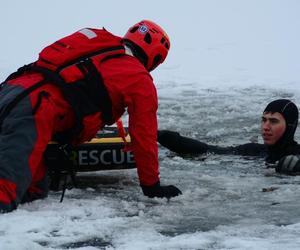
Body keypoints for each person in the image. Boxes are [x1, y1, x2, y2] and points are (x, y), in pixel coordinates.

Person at [0, 20, 181, 212]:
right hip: (35, 110)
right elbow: (144, 134)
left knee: (36, 190)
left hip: (8, 91)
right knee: (5, 195)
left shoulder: (94, 37)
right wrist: (151, 185)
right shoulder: (139, 79)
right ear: (156, 58)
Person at [158, 99, 300, 174]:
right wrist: (164, 137)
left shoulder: (297, 156)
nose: (266, 126)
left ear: (290, 126)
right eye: (264, 120)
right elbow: (209, 150)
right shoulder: (253, 151)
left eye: (273, 121)